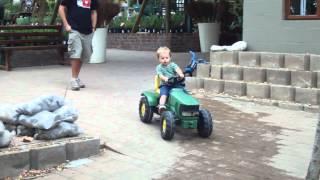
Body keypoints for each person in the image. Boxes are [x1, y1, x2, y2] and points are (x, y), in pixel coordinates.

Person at [58, 0, 97, 91]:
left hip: (88, 31)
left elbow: (94, 12)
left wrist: (93, 27)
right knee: (76, 53)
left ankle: (76, 78)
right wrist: (66, 24)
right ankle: (73, 79)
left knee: (83, 55)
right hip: (74, 30)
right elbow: (61, 8)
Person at [156, 47, 184, 113]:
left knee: (182, 91)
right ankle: (161, 105)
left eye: (166, 58)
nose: (165, 60)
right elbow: (160, 75)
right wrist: (165, 78)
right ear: (159, 59)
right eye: (162, 58)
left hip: (175, 83)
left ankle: (183, 104)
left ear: (170, 58)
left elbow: (177, 69)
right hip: (166, 84)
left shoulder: (172, 65)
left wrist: (180, 74)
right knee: (164, 94)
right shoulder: (159, 67)